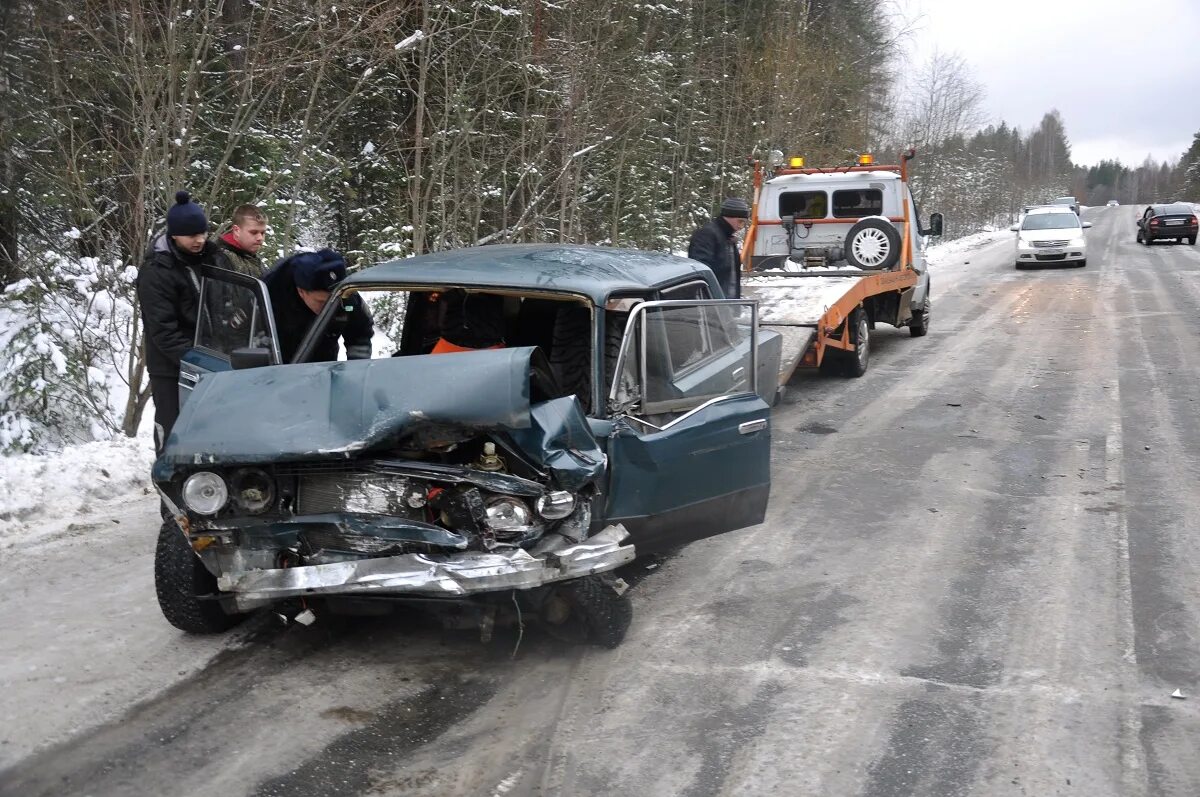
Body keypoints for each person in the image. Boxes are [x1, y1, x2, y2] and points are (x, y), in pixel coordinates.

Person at [136, 190, 229, 453]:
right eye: (192, 235)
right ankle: (169, 488)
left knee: (213, 432)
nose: (199, 240)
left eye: (202, 233)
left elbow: (226, 302)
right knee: (173, 431)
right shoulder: (157, 272)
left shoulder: (214, 259)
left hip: (214, 361)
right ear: (174, 235)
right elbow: (163, 331)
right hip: (171, 367)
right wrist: (196, 362)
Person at [263, 248, 373, 362]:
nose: (328, 307)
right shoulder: (272, 294)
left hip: (324, 365)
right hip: (280, 367)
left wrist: (356, 366)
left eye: (334, 301)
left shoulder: (346, 295)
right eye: (321, 302)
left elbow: (360, 332)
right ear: (301, 292)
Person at [687, 197, 749, 298]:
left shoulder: (728, 238)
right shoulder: (707, 235)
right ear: (729, 216)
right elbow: (700, 272)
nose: (741, 226)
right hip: (712, 304)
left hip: (726, 304)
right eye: (740, 221)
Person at [218, 205, 268, 274]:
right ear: (236, 230)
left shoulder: (253, 258)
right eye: (253, 232)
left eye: (263, 233)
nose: (260, 238)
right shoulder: (220, 259)